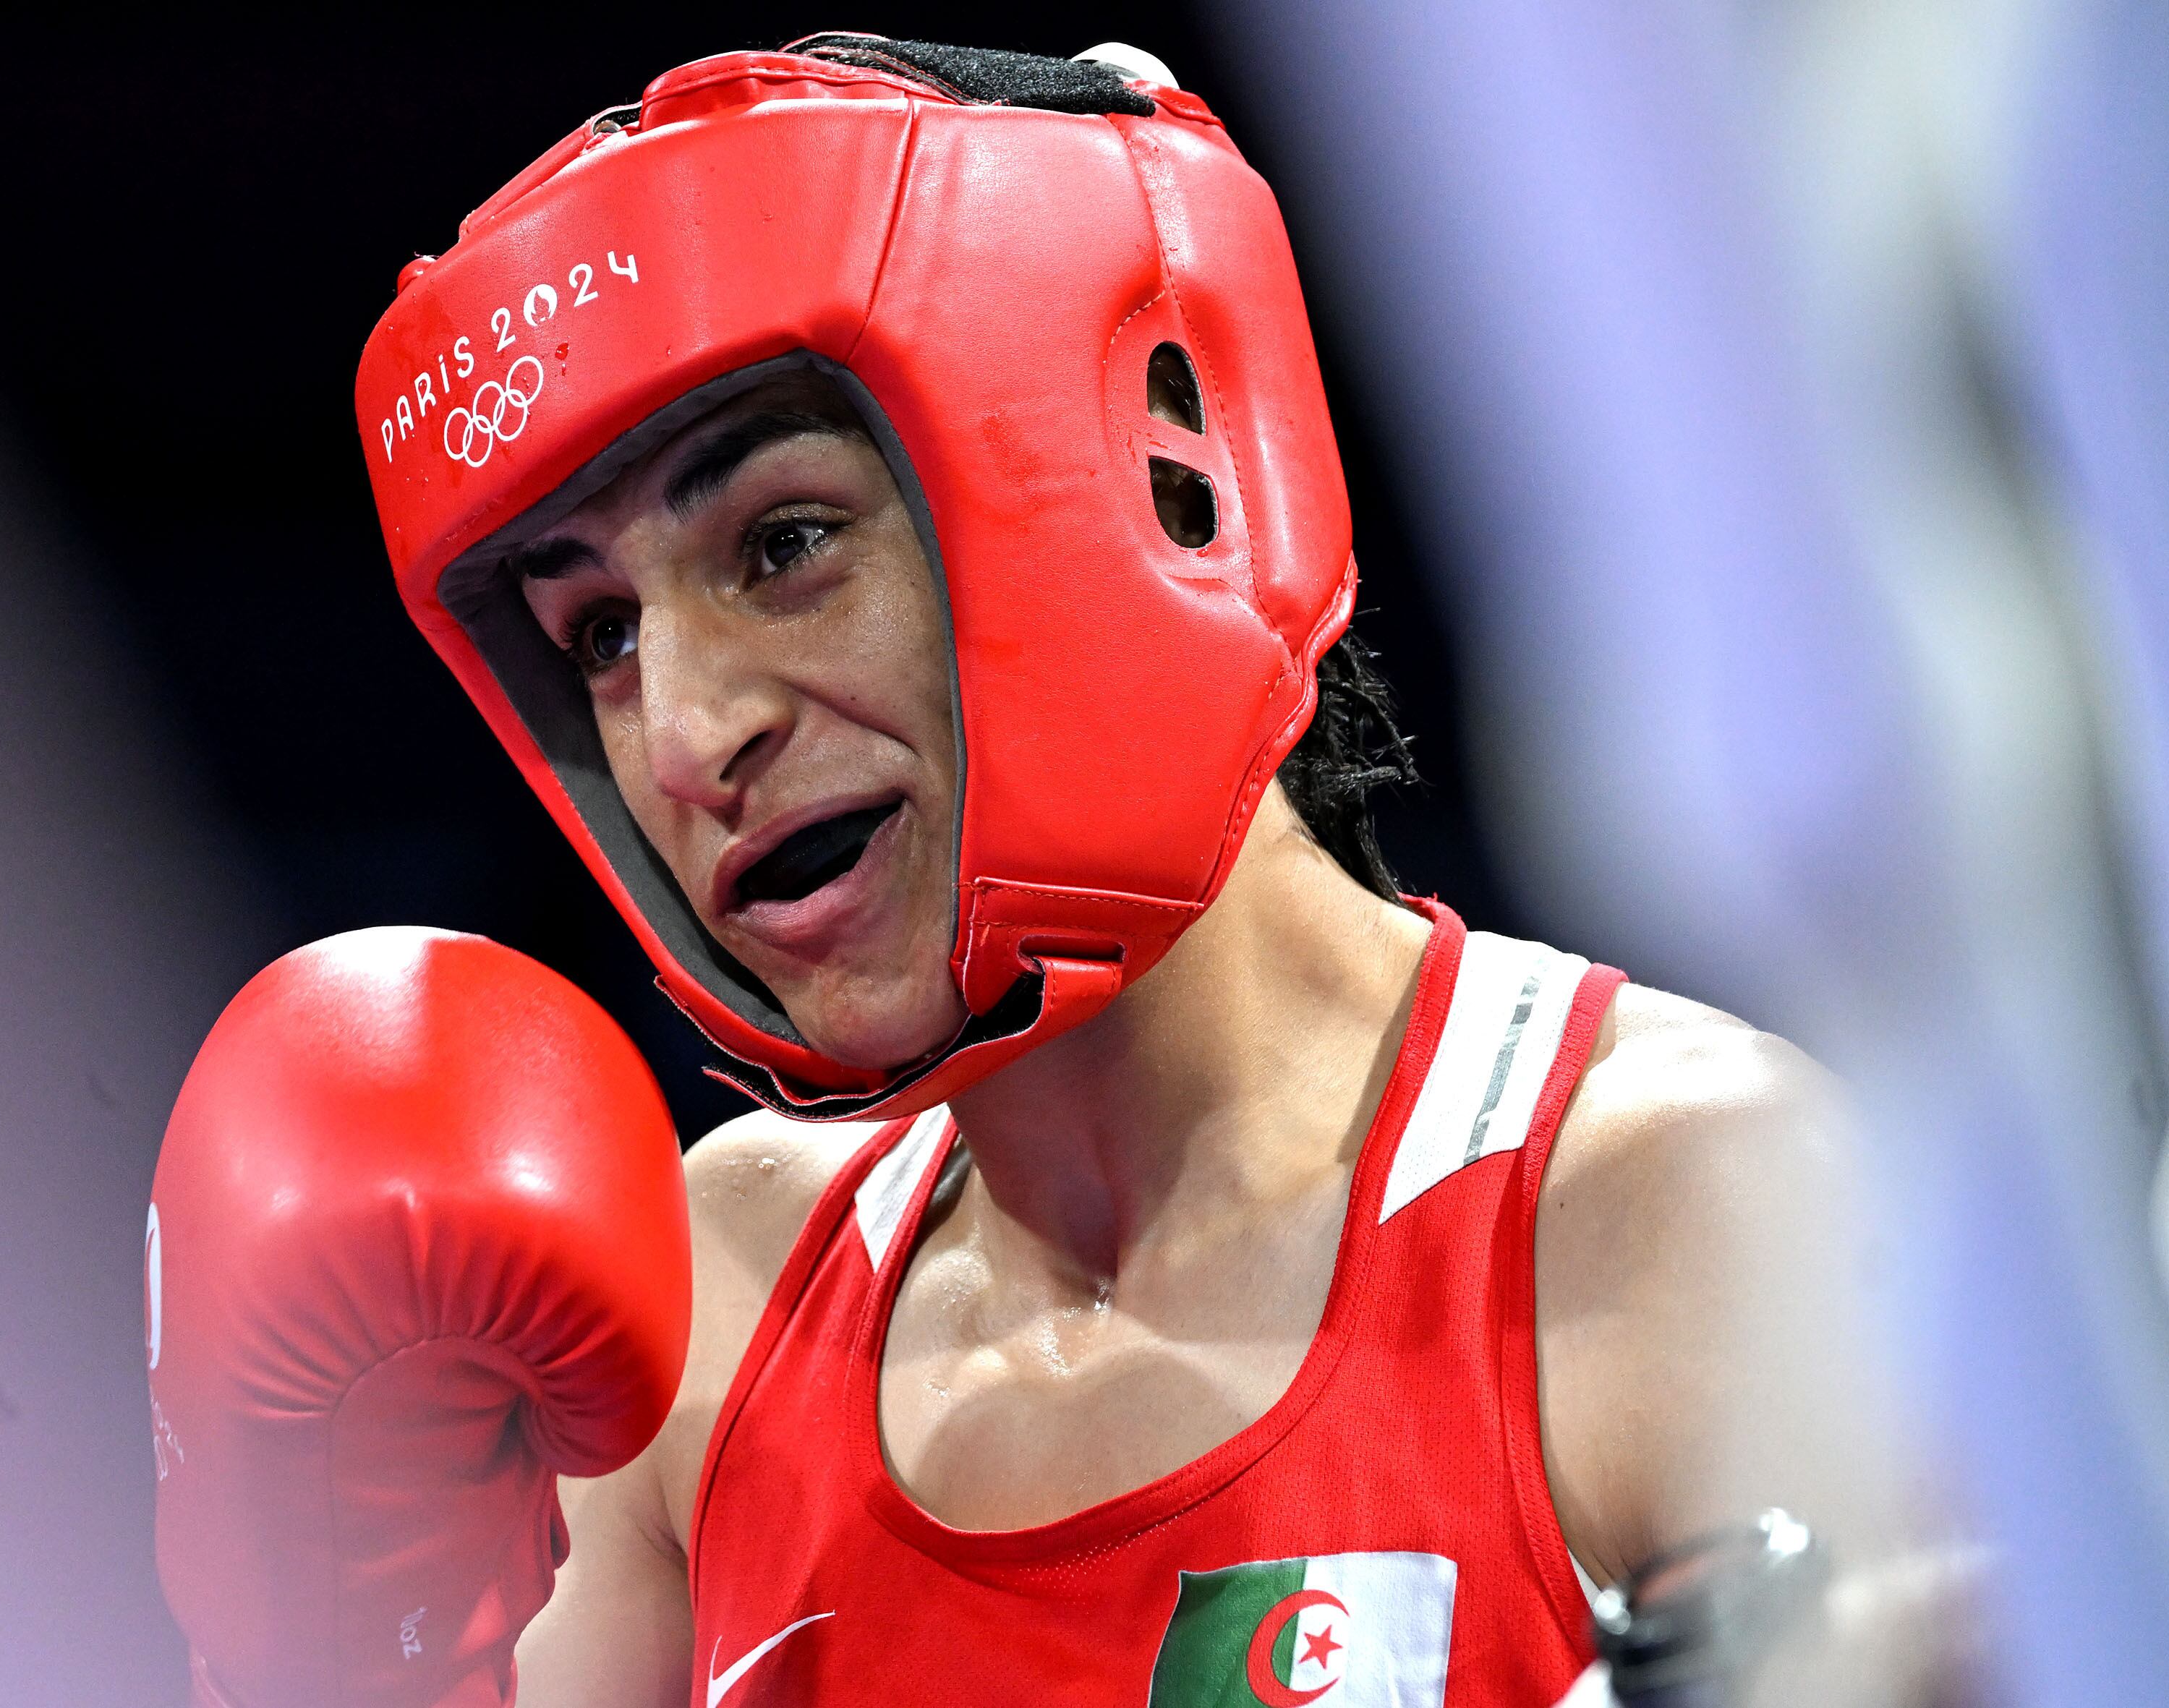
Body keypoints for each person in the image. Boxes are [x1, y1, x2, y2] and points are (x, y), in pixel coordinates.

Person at [150, 35, 1964, 1708]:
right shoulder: (703, 1319)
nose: (686, 734)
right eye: (600, 635)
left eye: (782, 543)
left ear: (1141, 482)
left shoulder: (1670, 1216)